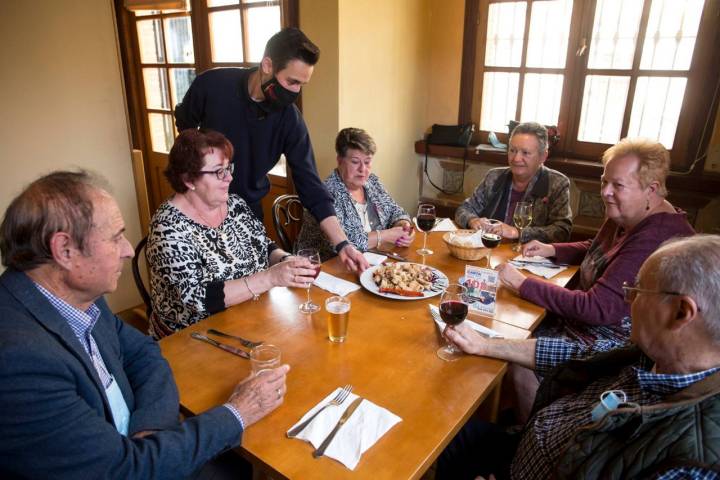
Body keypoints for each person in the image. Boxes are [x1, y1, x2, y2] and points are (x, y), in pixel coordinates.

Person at [0, 171, 290, 479]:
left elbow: (143, 351)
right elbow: (126, 471)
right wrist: (238, 412)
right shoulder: (18, 361)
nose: (128, 249)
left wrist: (150, 431)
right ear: (65, 250)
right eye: (115, 237)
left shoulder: (78, 295)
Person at [437, 235, 720, 479]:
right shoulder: (656, 356)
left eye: (637, 290)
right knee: (441, 435)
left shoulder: (693, 462)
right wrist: (484, 345)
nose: (627, 300)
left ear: (682, 312)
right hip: (522, 447)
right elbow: (576, 353)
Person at [175, 27, 368, 273]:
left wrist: (343, 244)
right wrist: (194, 179)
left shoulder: (290, 120)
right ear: (267, 65)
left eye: (302, 85)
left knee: (253, 292)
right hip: (198, 208)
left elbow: (310, 185)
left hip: (247, 214)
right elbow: (185, 129)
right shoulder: (212, 85)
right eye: (292, 81)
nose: (296, 92)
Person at [498, 138, 695, 347]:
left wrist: (523, 284)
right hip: (584, 322)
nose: (605, 192)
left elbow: (597, 307)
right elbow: (601, 249)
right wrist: (552, 249)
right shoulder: (627, 211)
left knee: (513, 341)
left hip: (615, 343)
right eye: (604, 181)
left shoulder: (655, 237)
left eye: (618, 185)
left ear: (651, 189)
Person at [147, 129, 319, 338]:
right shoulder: (168, 228)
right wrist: (270, 278)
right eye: (219, 171)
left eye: (229, 168)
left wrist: (287, 260)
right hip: (196, 339)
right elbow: (197, 298)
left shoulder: (234, 203)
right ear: (189, 179)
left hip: (251, 320)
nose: (229, 178)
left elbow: (263, 244)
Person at [295, 127, 415, 260]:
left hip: (373, 260)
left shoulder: (372, 182)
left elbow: (395, 211)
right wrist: (386, 235)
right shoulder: (326, 193)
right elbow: (344, 243)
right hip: (327, 268)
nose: (362, 169)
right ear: (340, 160)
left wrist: (403, 226)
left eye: (367, 162)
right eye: (355, 162)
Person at [454, 122, 572, 243]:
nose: (516, 159)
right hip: (490, 250)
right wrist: (472, 220)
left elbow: (562, 231)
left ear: (543, 156)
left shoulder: (557, 183)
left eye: (525, 153)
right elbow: (464, 209)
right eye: (512, 150)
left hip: (529, 257)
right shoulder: (494, 176)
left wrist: (516, 232)